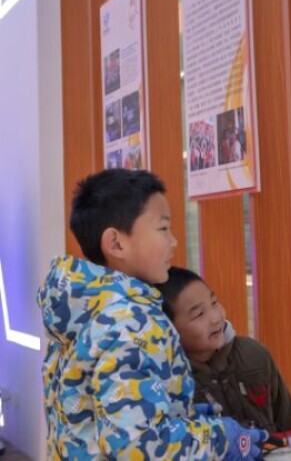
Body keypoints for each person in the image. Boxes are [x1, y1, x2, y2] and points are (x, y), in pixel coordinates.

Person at [37, 169, 268, 460]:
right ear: (116, 243)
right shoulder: (132, 322)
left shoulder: (83, 311)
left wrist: (181, 418)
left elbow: (98, 418)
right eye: (163, 228)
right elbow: (139, 446)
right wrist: (221, 438)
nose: (174, 241)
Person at [160, 267, 291, 434]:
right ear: (168, 329)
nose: (216, 317)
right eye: (199, 314)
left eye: (214, 302)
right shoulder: (170, 381)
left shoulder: (254, 354)